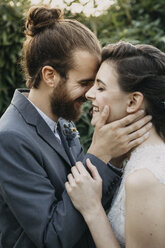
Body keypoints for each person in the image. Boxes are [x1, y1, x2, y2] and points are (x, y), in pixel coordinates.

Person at [0, 6, 151, 248]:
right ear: (50, 76)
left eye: (96, 84)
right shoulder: (9, 138)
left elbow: (91, 199)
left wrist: (115, 159)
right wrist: (100, 153)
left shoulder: (61, 120)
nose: (91, 93)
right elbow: (52, 238)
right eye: (84, 83)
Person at [65, 41, 165, 248]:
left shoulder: (145, 179)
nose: (89, 94)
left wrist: (92, 208)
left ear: (132, 102)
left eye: (100, 87)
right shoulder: (139, 159)